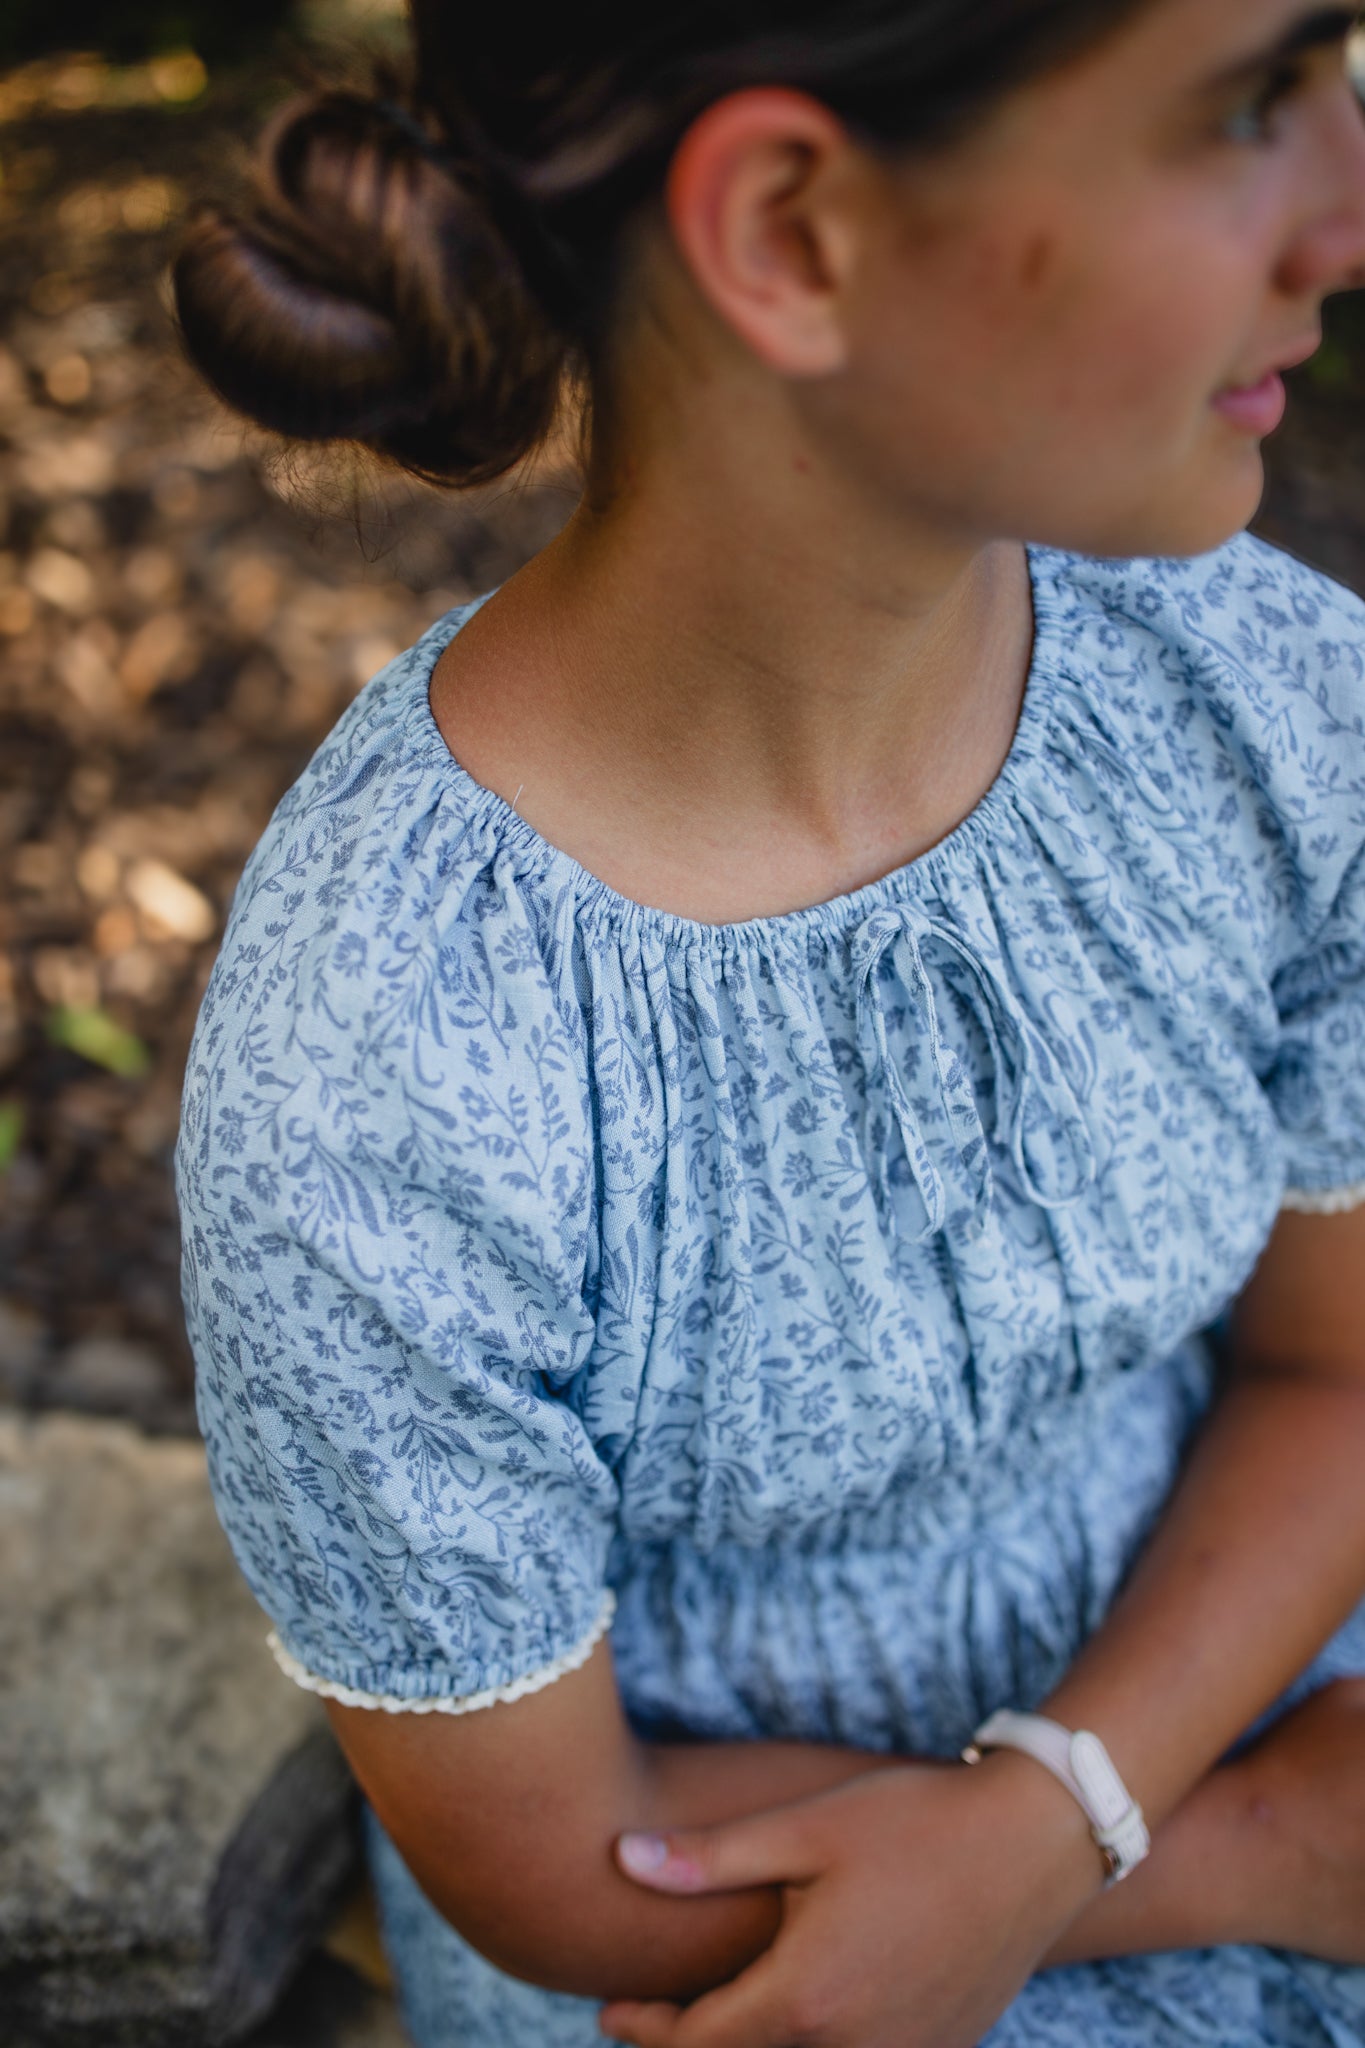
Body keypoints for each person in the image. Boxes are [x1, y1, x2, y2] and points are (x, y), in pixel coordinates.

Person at [172, 2, 1365, 2043]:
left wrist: (1084, 1796)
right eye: (1246, 103)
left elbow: (1331, 1375)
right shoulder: (380, 1073)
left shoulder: (1267, 703)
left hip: (1243, 1651)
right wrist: (1212, 1843)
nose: (1346, 209)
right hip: (734, 1947)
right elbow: (553, 1865)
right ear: (791, 232)